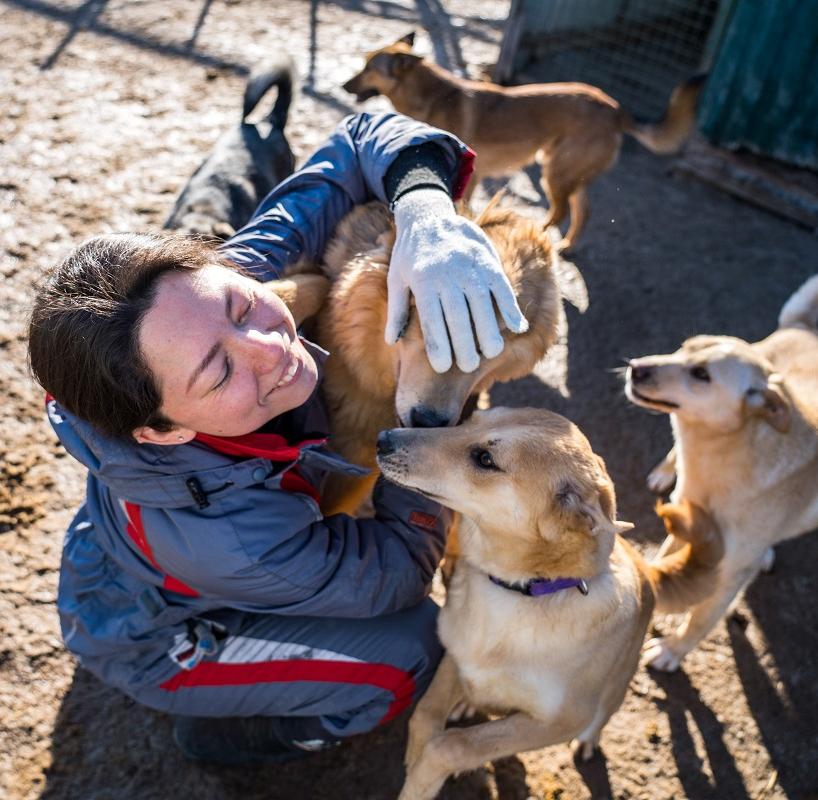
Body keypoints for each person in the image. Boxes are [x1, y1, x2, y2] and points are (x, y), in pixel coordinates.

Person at [27, 111, 527, 765]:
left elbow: (358, 139)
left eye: (242, 307)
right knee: (415, 651)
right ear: (161, 430)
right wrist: (435, 424)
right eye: (219, 370)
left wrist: (427, 214)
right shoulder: (236, 539)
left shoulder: (198, 303)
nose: (273, 345)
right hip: (157, 635)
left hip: (145, 557)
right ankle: (242, 738)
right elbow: (400, 569)